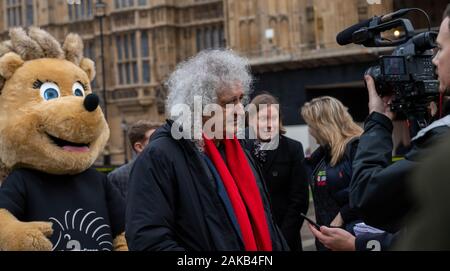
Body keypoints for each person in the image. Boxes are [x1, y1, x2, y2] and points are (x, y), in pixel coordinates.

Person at [125, 50, 288, 251]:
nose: (240, 111)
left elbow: (267, 224)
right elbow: (148, 242)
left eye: (240, 99)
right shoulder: (160, 156)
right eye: (229, 103)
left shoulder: (240, 151)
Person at [245, 94, 309, 251]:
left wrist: (281, 239)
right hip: (250, 237)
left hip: (285, 238)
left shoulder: (293, 148)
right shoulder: (239, 147)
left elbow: (299, 200)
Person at [301, 96, 363, 250]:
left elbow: (368, 191)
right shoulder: (322, 155)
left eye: (310, 125)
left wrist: (343, 215)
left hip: (353, 238)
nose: (309, 130)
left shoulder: (356, 148)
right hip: (330, 240)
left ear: (323, 125)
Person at [107, 121, 161, 199]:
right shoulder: (117, 177)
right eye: (155, 139)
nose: (162, 144)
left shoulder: (169, 171)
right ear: (139, 147)